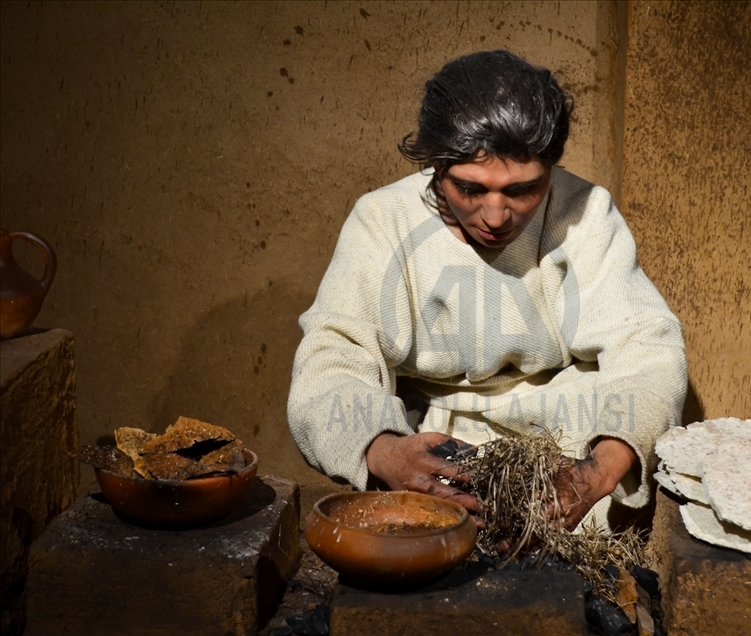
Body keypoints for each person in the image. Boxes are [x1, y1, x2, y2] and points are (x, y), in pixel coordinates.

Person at [288, 50, 687, 532]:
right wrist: (387, 450)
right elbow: (332, 359)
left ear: (550, 171)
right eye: (471, 189)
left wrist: (592, 475)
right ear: (437, 165)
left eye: (522, 191)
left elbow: (649, 349)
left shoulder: (585, 213)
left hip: (563, 448)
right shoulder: (382, 221)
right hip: (428, 449)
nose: (496, 216)